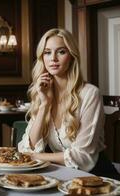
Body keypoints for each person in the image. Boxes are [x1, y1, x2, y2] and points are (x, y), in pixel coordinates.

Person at [18, 28, 120, 180]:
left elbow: (82, 156)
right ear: (42, 58)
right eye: (47, 52)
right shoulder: (43, 92)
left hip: (96, 177)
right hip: (62, 176)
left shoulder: (90, 93)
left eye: (61, 52)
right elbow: (28, 147)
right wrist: (45, 104)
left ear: (72, 56)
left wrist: (37, 156)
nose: (53, 58)